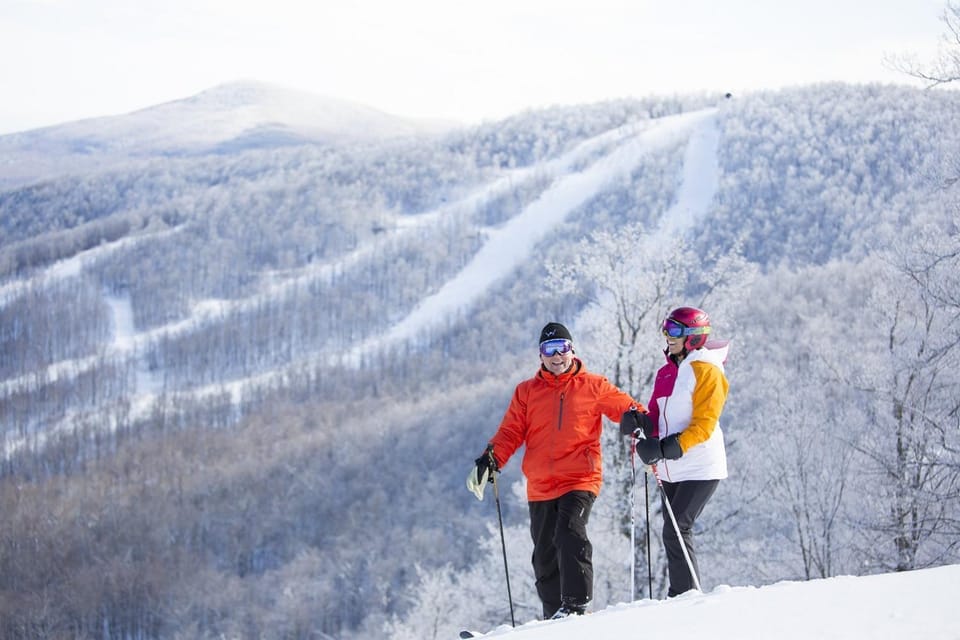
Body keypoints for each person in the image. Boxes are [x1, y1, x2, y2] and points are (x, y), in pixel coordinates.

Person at [467, 322, 646, 619]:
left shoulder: (593, 385)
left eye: (562, 348)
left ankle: (576, 605)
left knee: (569, 532)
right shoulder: (526, 392)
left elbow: (626, 406)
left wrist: (637, 418)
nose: (556, 356)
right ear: (540, 355)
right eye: (549, 349)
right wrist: (491, 459)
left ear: (572, 350)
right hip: (540, 485)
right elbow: (511, 431)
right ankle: (554, 619)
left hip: (579, 478)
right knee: (545, 555)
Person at [629, 306, 729, 598]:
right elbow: (656, 415)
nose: (667, 336)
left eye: (673, 331)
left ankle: (684, 596)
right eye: (665, 330)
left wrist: (667, 447)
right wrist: (640, 422)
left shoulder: (707, 370)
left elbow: (704, 424)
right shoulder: (665, 372)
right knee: (672, 530)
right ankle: (684, 595)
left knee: (677, 528)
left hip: (701, 465)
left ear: (694, 336)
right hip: (672, 468)